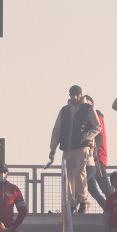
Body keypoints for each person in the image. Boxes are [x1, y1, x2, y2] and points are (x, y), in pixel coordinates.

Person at [47, 85, 99, 213]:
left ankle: (84, 200)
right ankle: (71, 202)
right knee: (68, 176)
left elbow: (97, 126)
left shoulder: (88, 109)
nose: (75, 97)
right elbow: (57, 130)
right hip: (68, 147)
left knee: (80, 172)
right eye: (72, 94)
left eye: (77, 94)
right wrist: (52, 149)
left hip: (82, 147)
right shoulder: (65, 110)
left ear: (81, 94)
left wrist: (87, 136)